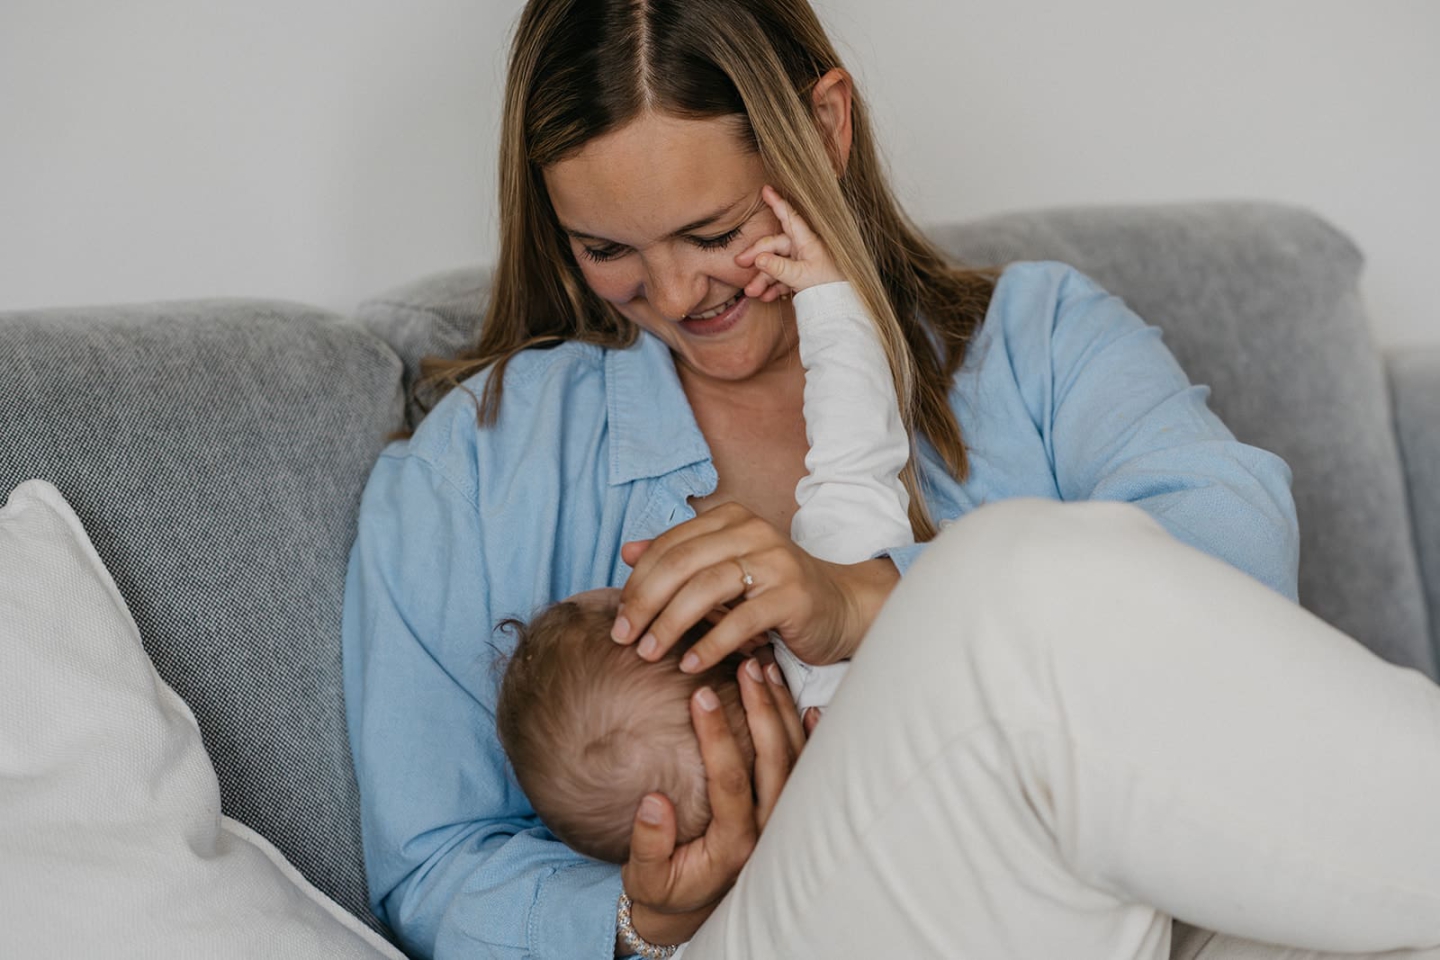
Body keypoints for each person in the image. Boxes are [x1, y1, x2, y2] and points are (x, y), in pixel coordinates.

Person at [341, 1, 1440, 958]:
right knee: (1021, 573)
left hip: (1135, 905)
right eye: (604, 250)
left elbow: (1239, 575)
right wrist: (644, 921)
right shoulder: (477, 468)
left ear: (822, 128)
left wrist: (872, 600)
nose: (672, 293)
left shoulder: (1036, 339)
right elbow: (434, 868)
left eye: (711, 230)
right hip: (769, 936)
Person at [495, 196, 914, 867]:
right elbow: (854, 446)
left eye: (712, 233)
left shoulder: (728, 924)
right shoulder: (824, 641)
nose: (674, 293)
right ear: (724, 619)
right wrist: (829, 296)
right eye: (635, 598)